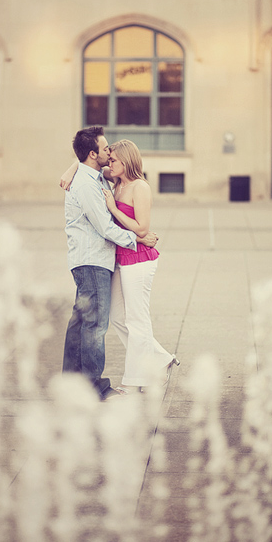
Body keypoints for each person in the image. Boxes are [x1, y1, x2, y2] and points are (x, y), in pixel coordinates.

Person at [63, 126, 158, 401]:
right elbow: (105, 226)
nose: (109, 152)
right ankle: (95, 387)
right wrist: (139, 239)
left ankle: (71, 382)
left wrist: (73, 167)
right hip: (93, 260)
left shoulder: (98, 178)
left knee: (81, 322)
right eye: (105, 149)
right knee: (95, 326)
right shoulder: (87, 183)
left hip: (95, 259)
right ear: (93, 154)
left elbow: (87, 164)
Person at [102, 139, 179, 394]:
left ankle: (134, 382)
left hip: (139, 259)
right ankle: (160, 360)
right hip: (120, 257)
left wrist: (113, 207)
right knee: (117, 317)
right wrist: (70, 170)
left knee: (137, 320)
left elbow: (142, 228)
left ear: (127, 161)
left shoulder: (139, 187)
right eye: (109, 159)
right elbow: (88, 167)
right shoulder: (116, 182)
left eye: (113, 160)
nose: (109, 163)